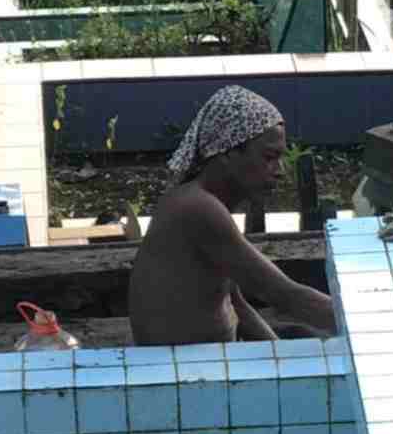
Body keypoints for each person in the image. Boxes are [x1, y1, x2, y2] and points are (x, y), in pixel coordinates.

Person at [129, 85, 336, 346]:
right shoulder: (197, 209)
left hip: (217, 354)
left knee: (304, 338)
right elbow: (285, 296)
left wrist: (279, 353)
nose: (280, 171)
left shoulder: (203, 202)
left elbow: (236, 304)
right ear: (227, 153)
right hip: (189, 372)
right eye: (269, 157)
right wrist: (366, 325)